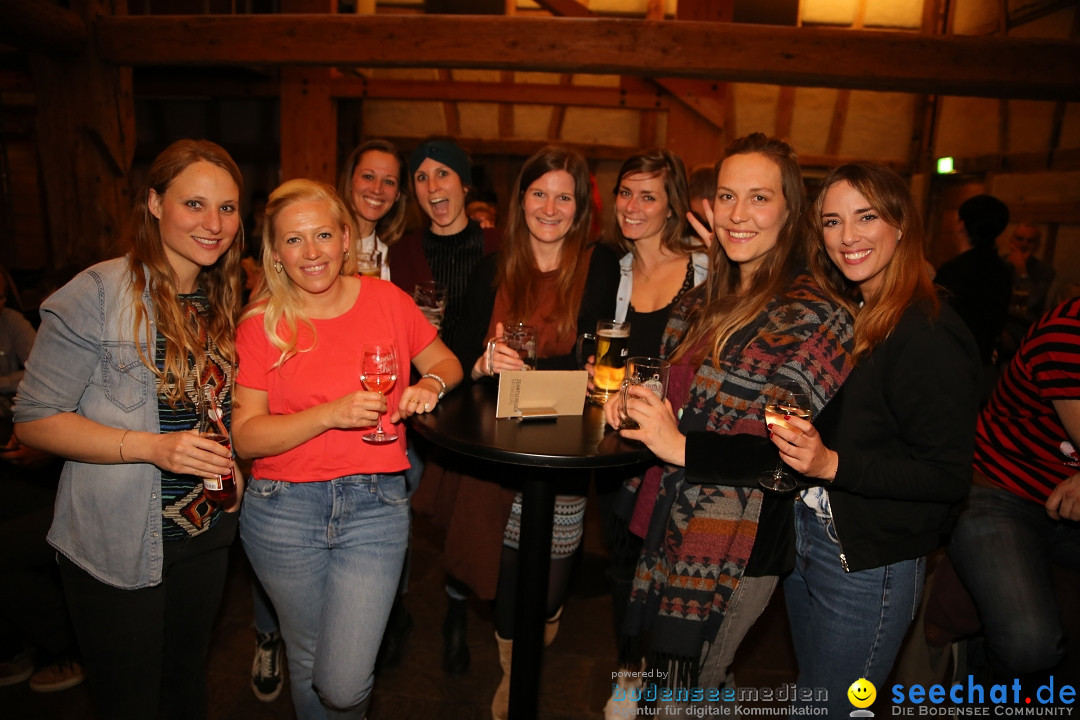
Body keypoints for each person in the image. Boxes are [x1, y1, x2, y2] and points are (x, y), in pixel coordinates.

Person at [604, 133, 854, 713]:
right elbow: (675, 393)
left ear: (790, 211)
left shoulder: (817, 316)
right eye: (726, 196)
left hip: (738, 545)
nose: (738, 214)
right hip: (664, 516)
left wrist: (680, 447)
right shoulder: (698, 302)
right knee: (690, 690)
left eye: (759, 198)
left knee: (678, 697)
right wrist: (637, 402)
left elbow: (784, 455)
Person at [13, 138, 245, 719]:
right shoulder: (97, 292)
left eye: (227, 207)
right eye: (194, 204)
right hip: (117, 541)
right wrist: (152, 448)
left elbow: (213, 407)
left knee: (186, 689)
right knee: (131, 704)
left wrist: (235, 464)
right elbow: (34, 419)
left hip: (207, 532)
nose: (213, 224)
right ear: (154, 203)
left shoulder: (221, 297)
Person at [232, 178, 462, 720]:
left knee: (342, 681)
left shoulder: (388, 300)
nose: (311, 252)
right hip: (282, 510)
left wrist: (430, 385)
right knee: (307, 659)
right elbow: (246, 435)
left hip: (374, 507)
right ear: (275, 253)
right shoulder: (261, 323)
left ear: (344, 238)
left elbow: (445, 362)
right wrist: (329, 414)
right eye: (293, 240)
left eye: (322, 235)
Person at [770, 162, 982, 717]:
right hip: (811, 538)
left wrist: (831, 465)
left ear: (901, 224)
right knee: (813, 701)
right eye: (833, 221)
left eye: (866, 217)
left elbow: (946, 477)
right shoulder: (851, 311)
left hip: (868, 565)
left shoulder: (928, 332)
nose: (848, 237)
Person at [416, 145, 619, 719]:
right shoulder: (493, 268)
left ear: (580, 208)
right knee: (505, 578)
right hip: (498, 449)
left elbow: (590, 361)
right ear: (520, 200)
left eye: (563, 197)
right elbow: (454, 354)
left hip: (563, 451)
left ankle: (537, 634)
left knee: (548, 588)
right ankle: (514, 673)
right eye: (539, 194)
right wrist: (483, 363)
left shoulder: (598, 264)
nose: (550, 208)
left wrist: (546, 371)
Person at [596, 148, 708, 715]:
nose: (633, 206)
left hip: (679, 447)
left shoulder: (705, 269)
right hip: (620, 448)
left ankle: (672, 684)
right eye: (625, 192)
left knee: (672, 575)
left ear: (672, 206)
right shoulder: (611, 271)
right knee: (623, 569)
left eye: (648, 195)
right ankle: (627, 675)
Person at [948, 295, 1080, 688]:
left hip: (1069, 507)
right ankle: (981, 678)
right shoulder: (1068, 331)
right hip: (1002, 492)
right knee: (1030, 644)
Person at [391, 137, 500, 348]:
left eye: (442, 173)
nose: (432, 187)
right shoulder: (400, 255)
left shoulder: (500, 246)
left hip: (486, 369)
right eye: (422, 177)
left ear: (465, 185)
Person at [934, 194, 1012, 400]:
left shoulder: (954, 271)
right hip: (984, 370)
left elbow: (935, 321)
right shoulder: (1004, 270)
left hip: (949, 371)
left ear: (961, 224)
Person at [339, 138, 410, 282]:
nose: (377, 189)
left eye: (389, 181)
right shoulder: (323, 242)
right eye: (368, 176)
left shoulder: (396, 258)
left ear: (397, 194)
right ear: (350, 181)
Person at [1000, 222, 1056, 362]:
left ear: (1037, 245)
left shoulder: (1044, 271)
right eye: (1020, 239)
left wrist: (1022, 272)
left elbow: (1025, 305)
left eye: (1030, 241)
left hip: (1024, 330)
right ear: (1011, 241)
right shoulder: (999, 264)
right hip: (998, 327)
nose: (1024, 244)